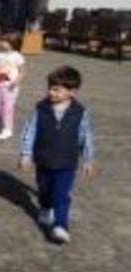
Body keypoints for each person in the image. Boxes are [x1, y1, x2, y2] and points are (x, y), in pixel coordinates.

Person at [19, 66, 95, 244]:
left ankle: (61, 225)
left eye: (56, 89)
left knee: (61, 194)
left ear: (72, 92)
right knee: (44, 190)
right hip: (43, 160)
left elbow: (86, 136)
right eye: (50, 88)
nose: (51, 93)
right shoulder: (41, 108)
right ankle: (45, 209)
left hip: (66, 162)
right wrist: (25, 154)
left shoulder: (80, 113)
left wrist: (88, 158)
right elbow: (30, 131)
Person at [0, 33, 25, 140]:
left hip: (10, 87)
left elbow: (22, 72)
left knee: (7, 109)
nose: (2, 43)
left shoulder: (18, 57)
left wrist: (16, 82)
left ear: (13, 44)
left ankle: (8, 129)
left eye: (5, 41)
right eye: (2, 41)